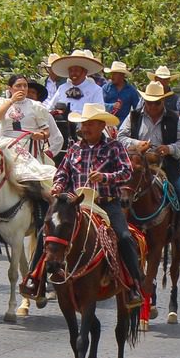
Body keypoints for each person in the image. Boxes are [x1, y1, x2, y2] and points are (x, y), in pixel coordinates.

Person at [49, 104, 143, 300]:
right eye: (84, 124)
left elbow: (127, 172)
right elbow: (63, 172)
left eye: (90, 124)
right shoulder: (74, 148)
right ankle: (35, 279)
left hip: (107, 204)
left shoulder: (114, 147)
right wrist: (58, 185)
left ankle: (134, 284)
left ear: (101, 125)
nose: (86, 128)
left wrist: (105, 177)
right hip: (78, 205)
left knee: (124, 237)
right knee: (50, 232)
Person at [121, 82, 180, 239]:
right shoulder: (134, 116)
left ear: (163, 101)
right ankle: (117, 229)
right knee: (119, 193)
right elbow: (120, 137)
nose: (153, 106)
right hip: (137, 164)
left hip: (167, 165)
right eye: (149, 102)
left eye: (157, 103)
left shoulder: (174, 118)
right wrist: (136, 144)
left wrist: (169, 149)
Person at [0, 74, 63, 152]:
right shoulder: (2, 103)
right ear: (10, 89)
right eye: (18, 86)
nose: (22, 89)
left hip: (28, 146)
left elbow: (47, 132)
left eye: (25, 86)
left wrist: (40, 135)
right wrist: (12, 101)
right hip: (6, 146)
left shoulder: (36, 106)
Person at [43, 49, 106, 135]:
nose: (73, 73)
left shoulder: (95, 90)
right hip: (61, 132)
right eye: (71, 70)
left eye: (76, 70)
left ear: (85, 72)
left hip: (85, 132)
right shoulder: (62, 88)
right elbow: (49, 108)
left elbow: (99, 114)